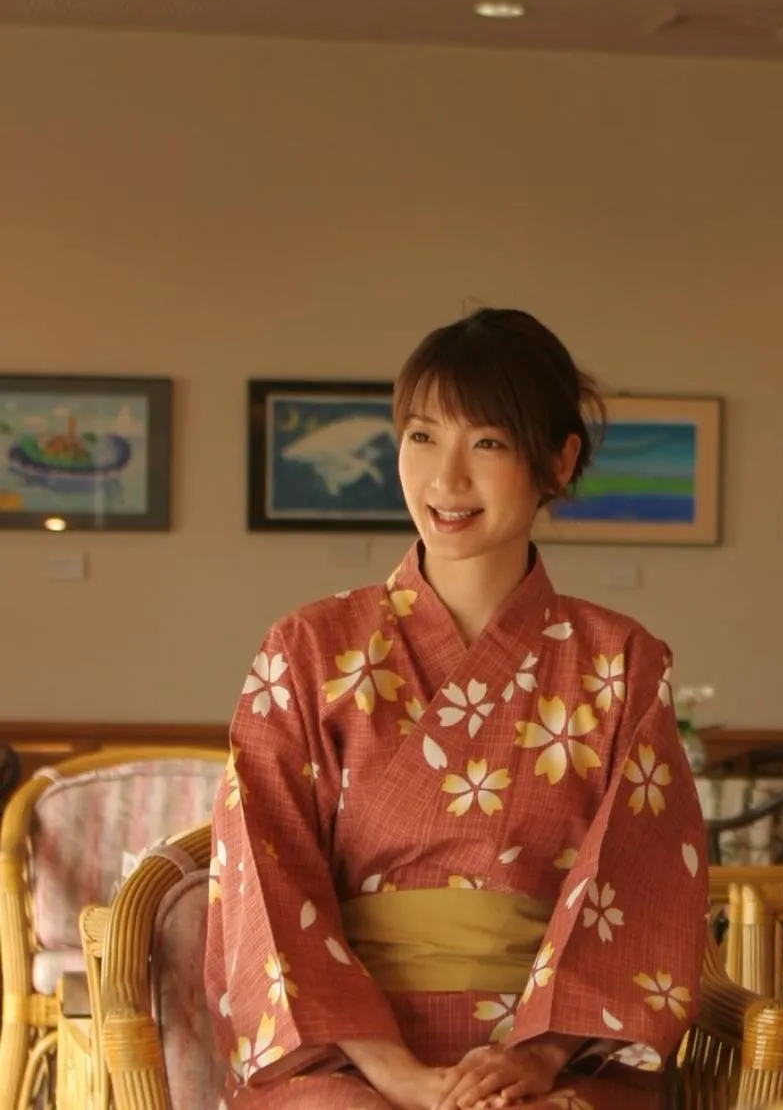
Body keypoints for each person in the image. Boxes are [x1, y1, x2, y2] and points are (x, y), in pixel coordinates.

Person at [206, 309, 708, 1110]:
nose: (447, 479)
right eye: (421, 437)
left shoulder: (620, 661)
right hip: (346, 1056)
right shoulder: (306, 646)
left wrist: (537, 1058)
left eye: (489, 443)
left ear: (557, 459)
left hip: (546, 1051)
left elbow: (644, 884)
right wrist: (398, 1075)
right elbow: (266, 879)